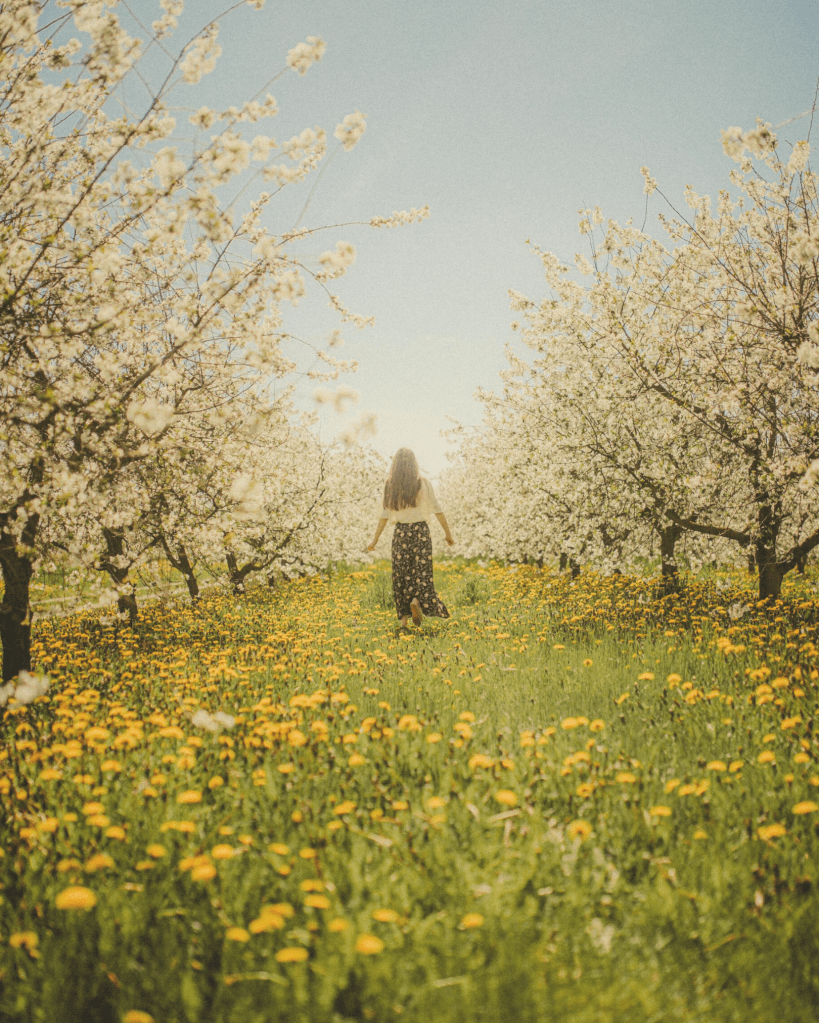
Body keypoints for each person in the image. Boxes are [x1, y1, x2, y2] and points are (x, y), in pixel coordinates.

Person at [366, 448, 454, 629]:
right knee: (422, 574)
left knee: (401, 576)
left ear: (395, 464)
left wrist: (374, 540)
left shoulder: (390, 485)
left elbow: (384, 515)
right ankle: (416, 600)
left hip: (400, 535)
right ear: (414, 463)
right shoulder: (423, 483)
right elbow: (437, 509)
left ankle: (403, 622)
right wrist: (448, 533)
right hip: (421, 533)